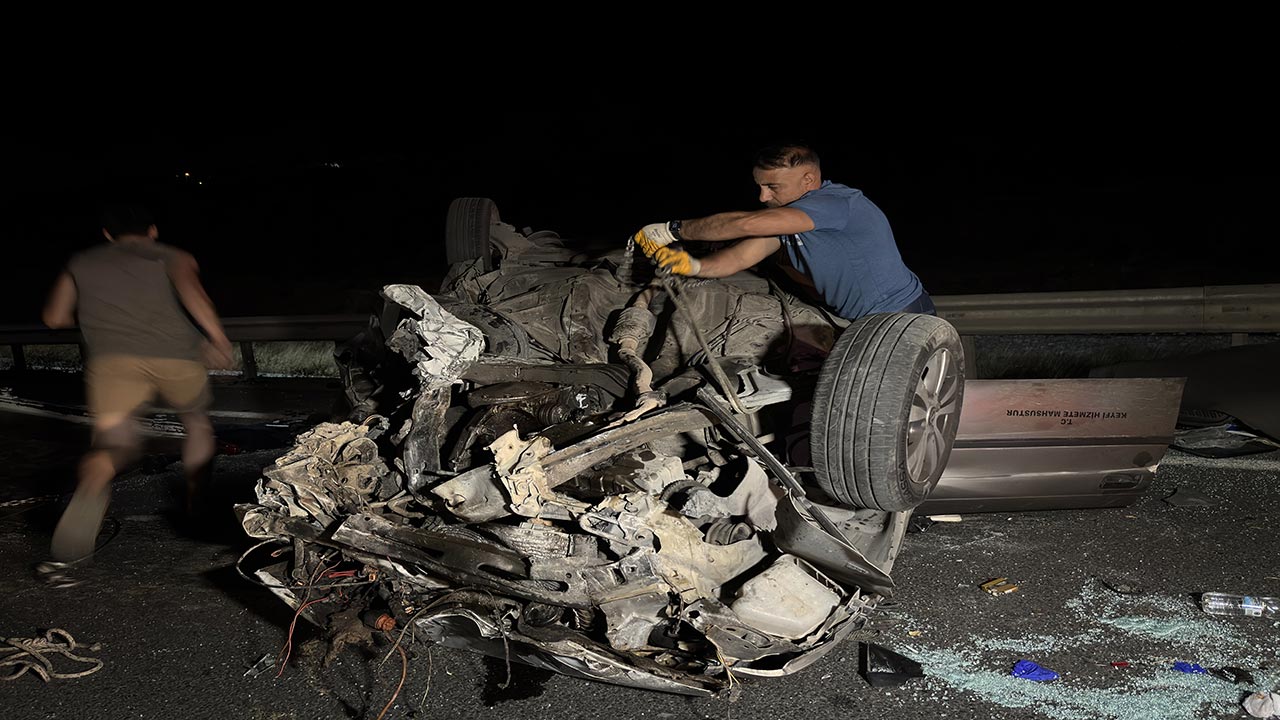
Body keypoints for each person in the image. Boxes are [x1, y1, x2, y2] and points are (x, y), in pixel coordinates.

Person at [35, 202, 234, 587]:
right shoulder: (171, 255)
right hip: (176, 356)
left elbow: (54, 318)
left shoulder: (82, 261)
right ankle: (194, 500)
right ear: (153, 230)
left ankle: (74, 541)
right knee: (195, 423)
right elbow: (194, 296)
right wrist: (218, 338)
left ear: (107, 234)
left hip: (112, 362)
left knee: (113, 442)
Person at [632, 142, 936, 321]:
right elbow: (736, 259)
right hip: (859, 319)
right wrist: (692, 265)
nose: (763, 197)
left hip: (903, 314)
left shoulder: (836, 204)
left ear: (808, 179)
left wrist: (672, 230)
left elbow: (746, 224)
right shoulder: (789, 221)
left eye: (772, 187)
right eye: (760, 187)